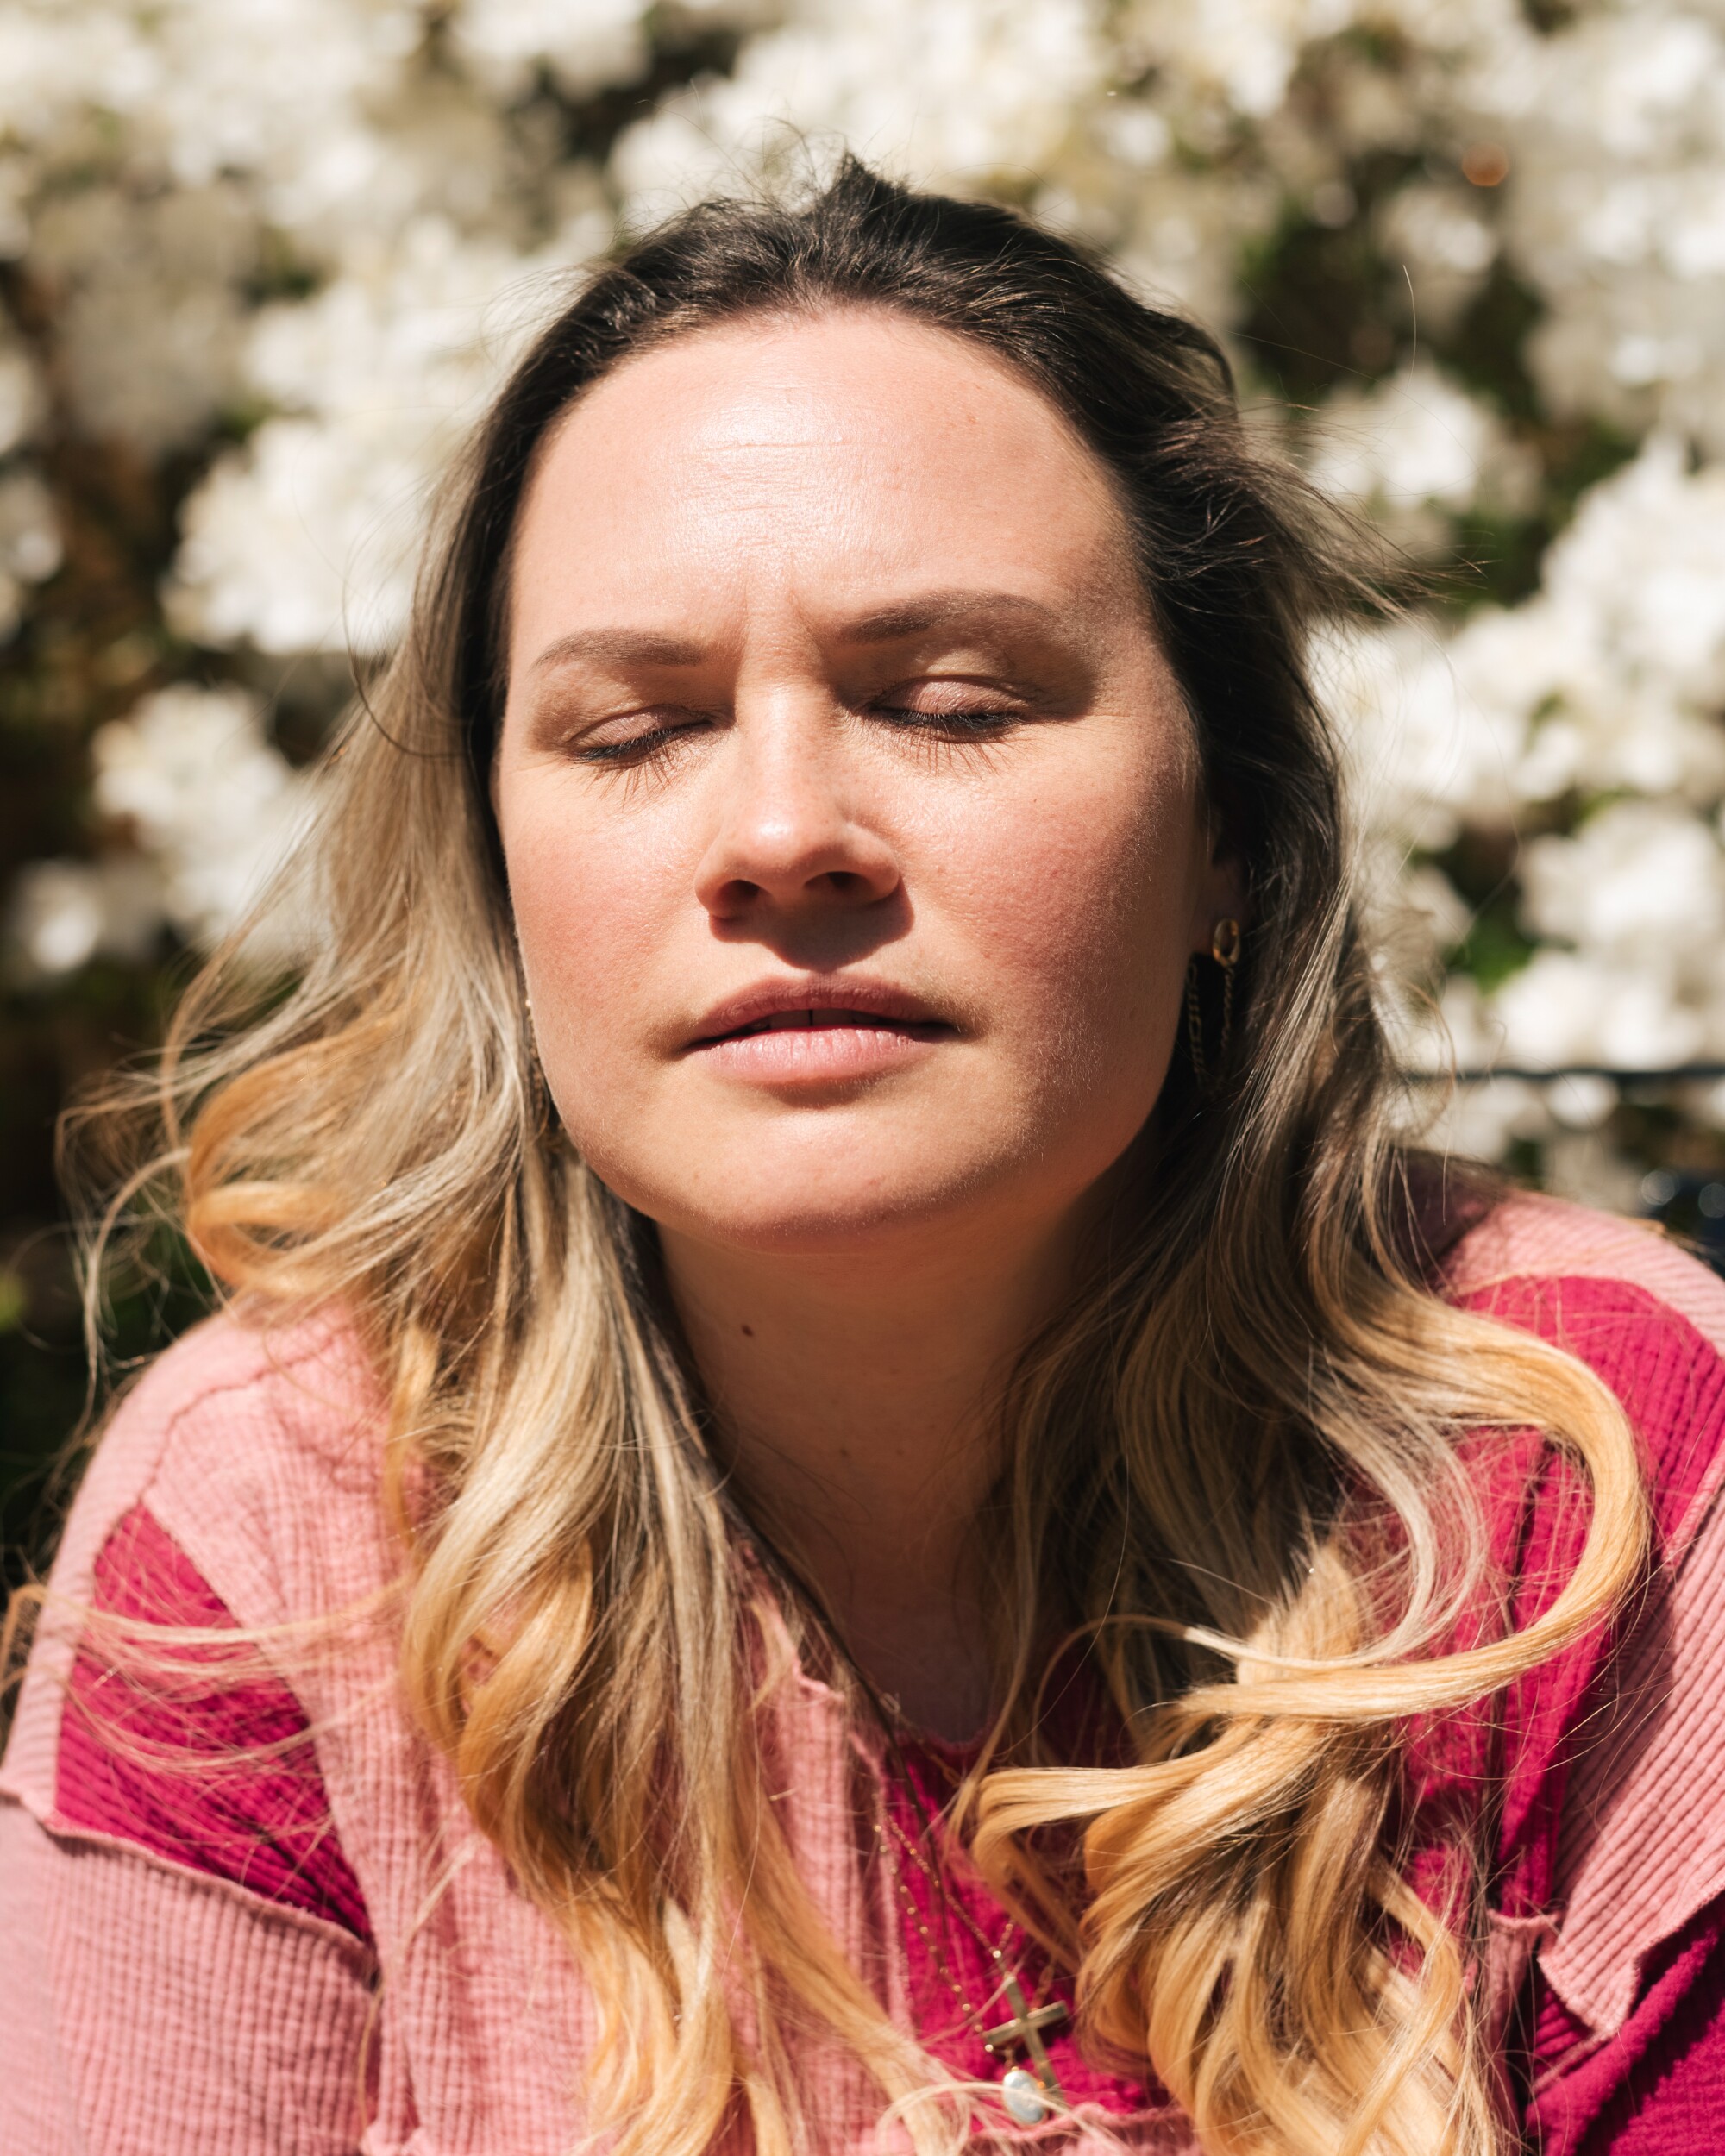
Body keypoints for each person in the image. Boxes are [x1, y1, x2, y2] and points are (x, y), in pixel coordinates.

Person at [3, 160, 1722, 2156]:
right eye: (634, 729)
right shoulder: (274, 1542)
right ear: (498, 872)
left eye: (951, 701)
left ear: (1229, 830)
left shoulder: (1593, 1467)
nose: (782, 828)